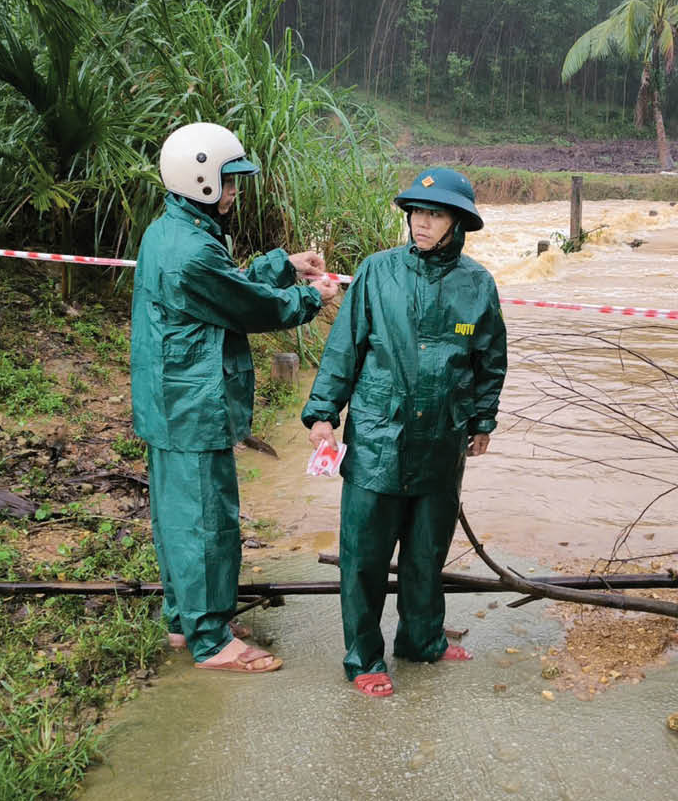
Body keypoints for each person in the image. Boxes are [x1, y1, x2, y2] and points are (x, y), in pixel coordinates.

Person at [130, 121, 339, 673]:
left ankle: (187, 619)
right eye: (228, 183)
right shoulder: (191, 250)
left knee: (179, 517)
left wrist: (282, 265)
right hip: (190, 403)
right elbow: (251, 306)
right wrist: (308, 298)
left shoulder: (172, 231)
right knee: (206, 521)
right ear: (199, 180)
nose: (233, 193)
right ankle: (210, 641)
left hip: (171, 400)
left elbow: (229, 280)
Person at [302, 167, 508, 696]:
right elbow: (344, 348)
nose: (421, 223)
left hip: (442, 441)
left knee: (425, 555)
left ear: (457, 222)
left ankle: (421, 639)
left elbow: (490, 360)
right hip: (376, 437)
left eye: (434, 214)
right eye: (416, 212)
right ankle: (364, 658)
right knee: (365, 558)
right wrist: (323, 413)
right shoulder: (377, 272)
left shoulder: (477, 285)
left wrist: (482, 420)